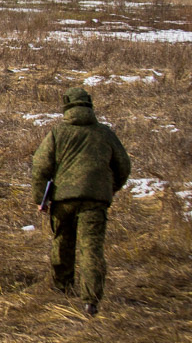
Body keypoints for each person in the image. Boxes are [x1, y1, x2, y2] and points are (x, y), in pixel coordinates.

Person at [31, 86, 132, 317]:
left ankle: (62, 287)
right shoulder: (105, 134)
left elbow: (40, 167)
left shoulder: (57, 133)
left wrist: (41, 199)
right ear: (90, 106)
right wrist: (108, 188)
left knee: (62, 242)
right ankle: (91, 302)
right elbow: (124, 166)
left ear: (66, 106)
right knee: (91, 250)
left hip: (63, 200)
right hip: (95, 200)